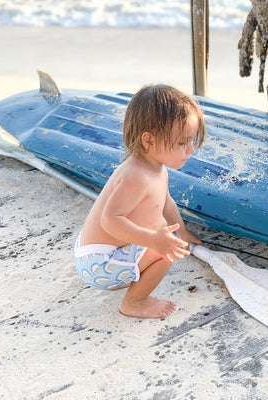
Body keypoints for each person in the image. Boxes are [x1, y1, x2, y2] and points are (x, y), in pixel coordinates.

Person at [74, 84, 205, 318]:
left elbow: (166, 204)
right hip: (99, 263)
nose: (191, 149)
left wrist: (183, 232)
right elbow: (110, 220)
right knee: (167, 251)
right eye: (183, 142)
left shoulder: (155, 168)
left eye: (192, 141)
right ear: (149, 141)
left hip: (99, 254)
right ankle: (134, 303)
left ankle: (128, 273)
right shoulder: (136, 176)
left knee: (167, 235)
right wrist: (153, 241)